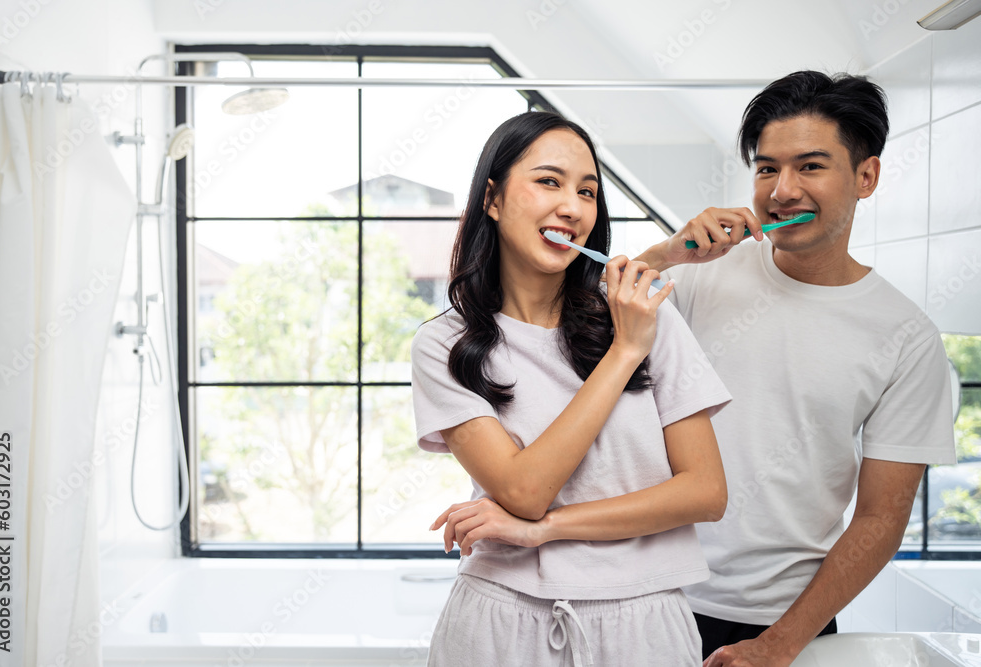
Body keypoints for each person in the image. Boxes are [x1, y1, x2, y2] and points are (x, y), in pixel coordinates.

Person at [633, 71, 957, 666]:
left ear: (867, 177)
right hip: (644, 596)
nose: (782, 190)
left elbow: (881, 518)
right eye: (765, 168)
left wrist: (778, 645)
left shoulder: (907, 338)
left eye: (810, 166)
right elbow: (576, 340)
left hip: (783, 625)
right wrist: (663, 254)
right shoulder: (698, 274)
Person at [410, 111, 732, 666]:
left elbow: (705, 493)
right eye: (549, 181)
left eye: (588, 191)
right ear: (492, 199)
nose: (574, 207)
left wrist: (546, 531)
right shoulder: (445, 345)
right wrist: (624, 352)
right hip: (498, 621)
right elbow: (523, 491)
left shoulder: (646, 314)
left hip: (646, 622)